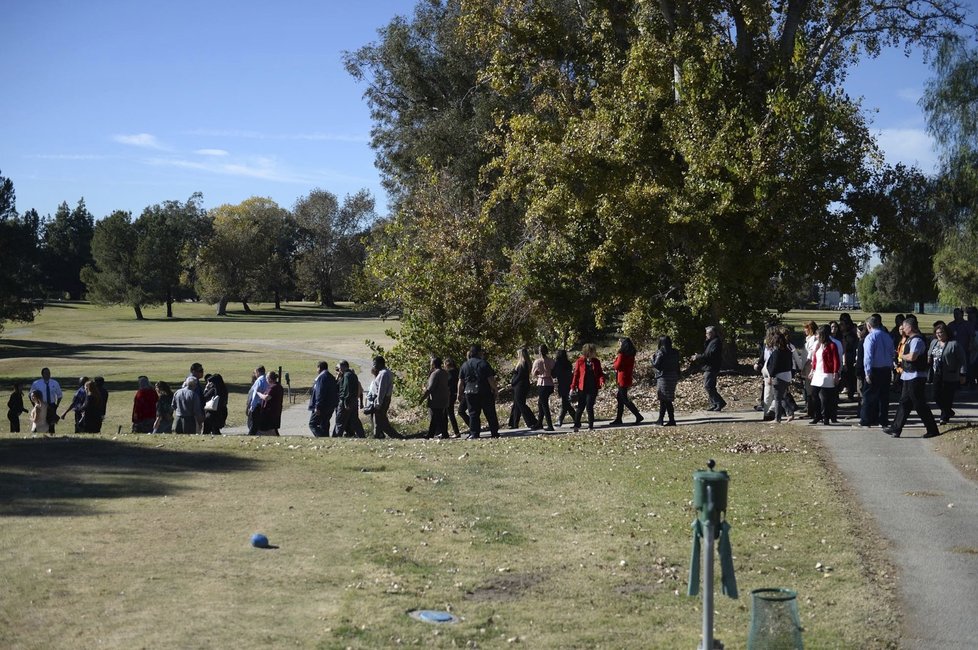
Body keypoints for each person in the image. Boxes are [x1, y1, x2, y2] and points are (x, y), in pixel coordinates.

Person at [884, 316, 941, 439]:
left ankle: (932, 429)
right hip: (908, 376)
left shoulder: (917, 340)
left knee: (919, 404)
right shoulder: (910, 340)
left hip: (916, 377)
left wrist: (901, 355)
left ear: (910, 327)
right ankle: (896, 428)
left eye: (904, 327)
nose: (902, 329)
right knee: (904, 403)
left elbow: (912, 357)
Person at [457, 344, 500, 439]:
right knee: (490, 412)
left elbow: (460, 381)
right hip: (484, 390)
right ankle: (494, 432)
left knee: (473, 414)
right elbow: (490, 378)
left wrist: (459, 393)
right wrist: (495, 390)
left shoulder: (465, 365)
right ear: (479, 352)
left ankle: (474, 433)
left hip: (469, 391)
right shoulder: (483, 363)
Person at [860, 315, 894, 428]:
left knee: (868, 396)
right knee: (884, 396)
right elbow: (891, 353)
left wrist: (867, 372)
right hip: (886, 369)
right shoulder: (887, 336)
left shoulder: (870, 337)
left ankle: (866, 420)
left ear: (869, 326)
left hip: (875, 369)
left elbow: (868, 356)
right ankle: (882, 419)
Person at [929, 322, 966, 425]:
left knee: (947, 396)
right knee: (935, 396)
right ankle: (948, 411)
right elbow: (930, 354)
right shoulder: (934, 342)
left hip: (950, 374)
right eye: (937, 333)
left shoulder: (954, 344)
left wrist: (962, 374)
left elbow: (962, 360)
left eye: (941, 332)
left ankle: (944, 417)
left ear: (946, 333)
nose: (939, 335)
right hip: (937, 373)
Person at [808, 325, 840, 425]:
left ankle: (826, 417)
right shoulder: (818, 345)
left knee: (826, 397)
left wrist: (835, 373)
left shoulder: (832, 345)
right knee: (814, 394)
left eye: (818, 334)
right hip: (817, 373)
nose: (816, 336)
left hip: (827, 373)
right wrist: (812, 370)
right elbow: (815, 359)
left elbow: (836, 360)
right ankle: (817, 415)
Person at [689, 326, 726, 412]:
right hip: (709, 367)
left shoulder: (716, 342)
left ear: (713, 333)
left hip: (712, 367)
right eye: (706, 333)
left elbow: (710, 355)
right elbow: (707, 353)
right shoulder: (711, 342)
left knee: (708, 385)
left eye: (708, 333)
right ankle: (714, 403)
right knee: (710, 386)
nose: (706, 335)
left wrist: (697, 357)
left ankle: (719, 402)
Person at [571, 343, 605, 432]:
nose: (594, 353)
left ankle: (591, 426)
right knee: (580, 407)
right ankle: (576, 425)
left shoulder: (596, 362)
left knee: (589, 406)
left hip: (593, 387)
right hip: (582, 388)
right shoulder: (580, 361)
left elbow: (600, 373)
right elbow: (576, 374)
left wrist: (601, 381)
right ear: (587, 352)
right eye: (592, 351)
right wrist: (573, 386)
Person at [610, 337, 643, 426]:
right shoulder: (631, 354)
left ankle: (638, 415)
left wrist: (615, 360)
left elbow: (617, 366)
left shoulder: (622, 354)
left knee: (624, 399)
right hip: (627, 377)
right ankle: (618, 418)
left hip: (622, 378)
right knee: (620, 398)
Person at [370, 356, 404, 439]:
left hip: (382, 399)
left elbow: (382, 390)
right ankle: (378, 435)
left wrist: (378, 403)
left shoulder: (384, 373)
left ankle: (394, 436)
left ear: (380, 363)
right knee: (379, 419)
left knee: (380, 419)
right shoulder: (385, 372)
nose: (374, 365)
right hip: (384, 399)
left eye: (375, 363)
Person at [765, 331, 795, 423]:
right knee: (782, 396)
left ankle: (777, 418)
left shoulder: (776, 353)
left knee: (777, 398)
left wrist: (771, 376)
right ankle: (790, 413)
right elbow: (790, 364)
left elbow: (774, 366)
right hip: (787, 376)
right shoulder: (788, 351)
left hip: (779, 377)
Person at [508, 347, 540, 430]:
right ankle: (513, 422)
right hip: (521, 385)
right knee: (516, 404)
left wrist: (512, 383)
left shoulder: (523, 364)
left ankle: (532, 421)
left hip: (520, 386)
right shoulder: (526, 363)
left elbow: (519, 376)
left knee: (521, 404)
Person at [651, 335, 680, 426]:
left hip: (663, 377)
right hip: (673, 376)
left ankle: (671, 420)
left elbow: (656, 365)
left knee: (665, 399)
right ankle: (661, 419)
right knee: (665, 399)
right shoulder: (675, 352)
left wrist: (652, 359)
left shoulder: (661, 352)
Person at [420, 356, 451, 439]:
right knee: (439, 417)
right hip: (444, 398)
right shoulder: (445, 372)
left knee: (437, 417)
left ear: (433, 364)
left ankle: (443, 434)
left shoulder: (435, 374)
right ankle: (433, 434)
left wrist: (422, 398)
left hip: (436, 399)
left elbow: (430, 388)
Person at [308, 361, 339, 437]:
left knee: (312, 424)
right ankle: (326, 438)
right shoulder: (331, 377)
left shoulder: (322, 377)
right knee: (324, 424)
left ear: (319, 368)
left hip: (322, 406)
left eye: (317, 368)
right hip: (330, 406)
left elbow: (320, 392)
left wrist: (317, 406)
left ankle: (321, 437)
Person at [334, 360, 364, 437]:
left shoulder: (346, 376)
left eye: (339, 368)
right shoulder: (353, 375)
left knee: (340, 420)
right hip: (353, 401)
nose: (339, 370)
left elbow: (346, 390)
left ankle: (338, 435)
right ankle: (361, 435)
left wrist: (345, 402)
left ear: (343, 367)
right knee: (354, 420)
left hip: (346, 401)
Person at [531, 344, 556, 431]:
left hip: (542, 383)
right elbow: (554, 372)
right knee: (540, 403)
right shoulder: (551, 361)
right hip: (550, 383)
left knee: (544, 404)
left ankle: (550, 425)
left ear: (539, 352)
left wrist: (539, 373)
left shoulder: (537, 362)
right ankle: (539, 423)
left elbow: (533, 373)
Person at [30, 367, 63, 434]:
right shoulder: (36, 383)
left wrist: (56, 405)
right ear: (42, 374)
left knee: (51, 423)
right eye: (46, 373)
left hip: (52, 405)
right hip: (41, 405)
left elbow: (59, 395)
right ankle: (40, 436)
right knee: (41, 422)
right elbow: (30, 394)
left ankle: (52, 437)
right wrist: (35, 404)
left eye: (49, 373)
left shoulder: (55, 383)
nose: (48, 374)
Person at [256, 371, 284, 435]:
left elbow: (267, 397)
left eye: (266, 378)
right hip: (275, 411)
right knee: (273, 430)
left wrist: (258, 393)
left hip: (270, 412)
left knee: (268, 429)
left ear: (270, 379)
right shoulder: (278, 386)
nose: (266, 380)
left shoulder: (274, 387)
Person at [553, 349, 574, 427]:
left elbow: (554, 374)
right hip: (569, 383)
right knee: (566, 403)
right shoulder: (568, 363)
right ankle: (575, 419)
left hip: (562, 384)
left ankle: (560, 420)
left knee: (565, 403)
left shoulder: (557, 363)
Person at [246, 366, 268, 435]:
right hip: (262, 405)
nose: (255, 374)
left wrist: (251, 407)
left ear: (258, 372)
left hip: (256, 406)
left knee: (253, 425)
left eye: (255, 373)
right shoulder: (266, 380)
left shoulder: (259, 380)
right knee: (257, 424)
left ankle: (250, 436)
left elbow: (255, 395)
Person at [445, 357, 462, 437]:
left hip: (449, 394)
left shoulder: (448, 373)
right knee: (450, 412)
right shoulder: (457, 371)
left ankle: (456, 432)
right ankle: (455, 431)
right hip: (456, 393)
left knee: (449, 413)